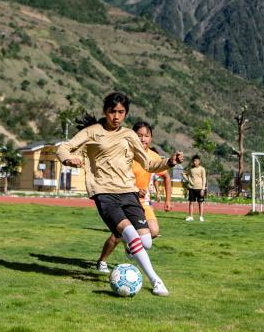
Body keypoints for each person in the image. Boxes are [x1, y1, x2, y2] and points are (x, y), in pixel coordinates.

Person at [57, 92, 183, 296]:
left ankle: (131, 246)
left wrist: (169, 162)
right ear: (105, 111)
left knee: (146, 242)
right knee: (131, 234)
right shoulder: (92, 132)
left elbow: (149, 163)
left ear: (126, 113)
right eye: (112, 112)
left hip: (128, 192)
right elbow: (64, 147)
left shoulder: (129, 135)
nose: (116, 116)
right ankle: (156, 281)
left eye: (121, 112)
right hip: (104, 193)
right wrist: (68, 159)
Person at [95, 120, 172, 274]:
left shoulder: (153, 156)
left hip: (143, 202)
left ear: (151, 138)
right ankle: (102, 261)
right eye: (139, 135)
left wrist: (168, 200)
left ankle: (131, 246)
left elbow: (166, 176)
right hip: (123, 198)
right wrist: (135, 190)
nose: (143, 139)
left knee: (154, 231)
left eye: (147, 135)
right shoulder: (125, 153)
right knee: (118, 235)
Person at [184, 155, 207, 222]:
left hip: (200, 188)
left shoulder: (202, 169)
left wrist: (203, 189)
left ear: (199, 161)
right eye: (194, 161)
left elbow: (204, 178)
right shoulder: (190, 169)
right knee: (191, 202)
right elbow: (184, 174)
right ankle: (191, 216)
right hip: (192, 188)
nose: (195, 162)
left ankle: (201, 217)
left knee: (200, 203)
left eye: (196, 161)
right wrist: (188, 180)